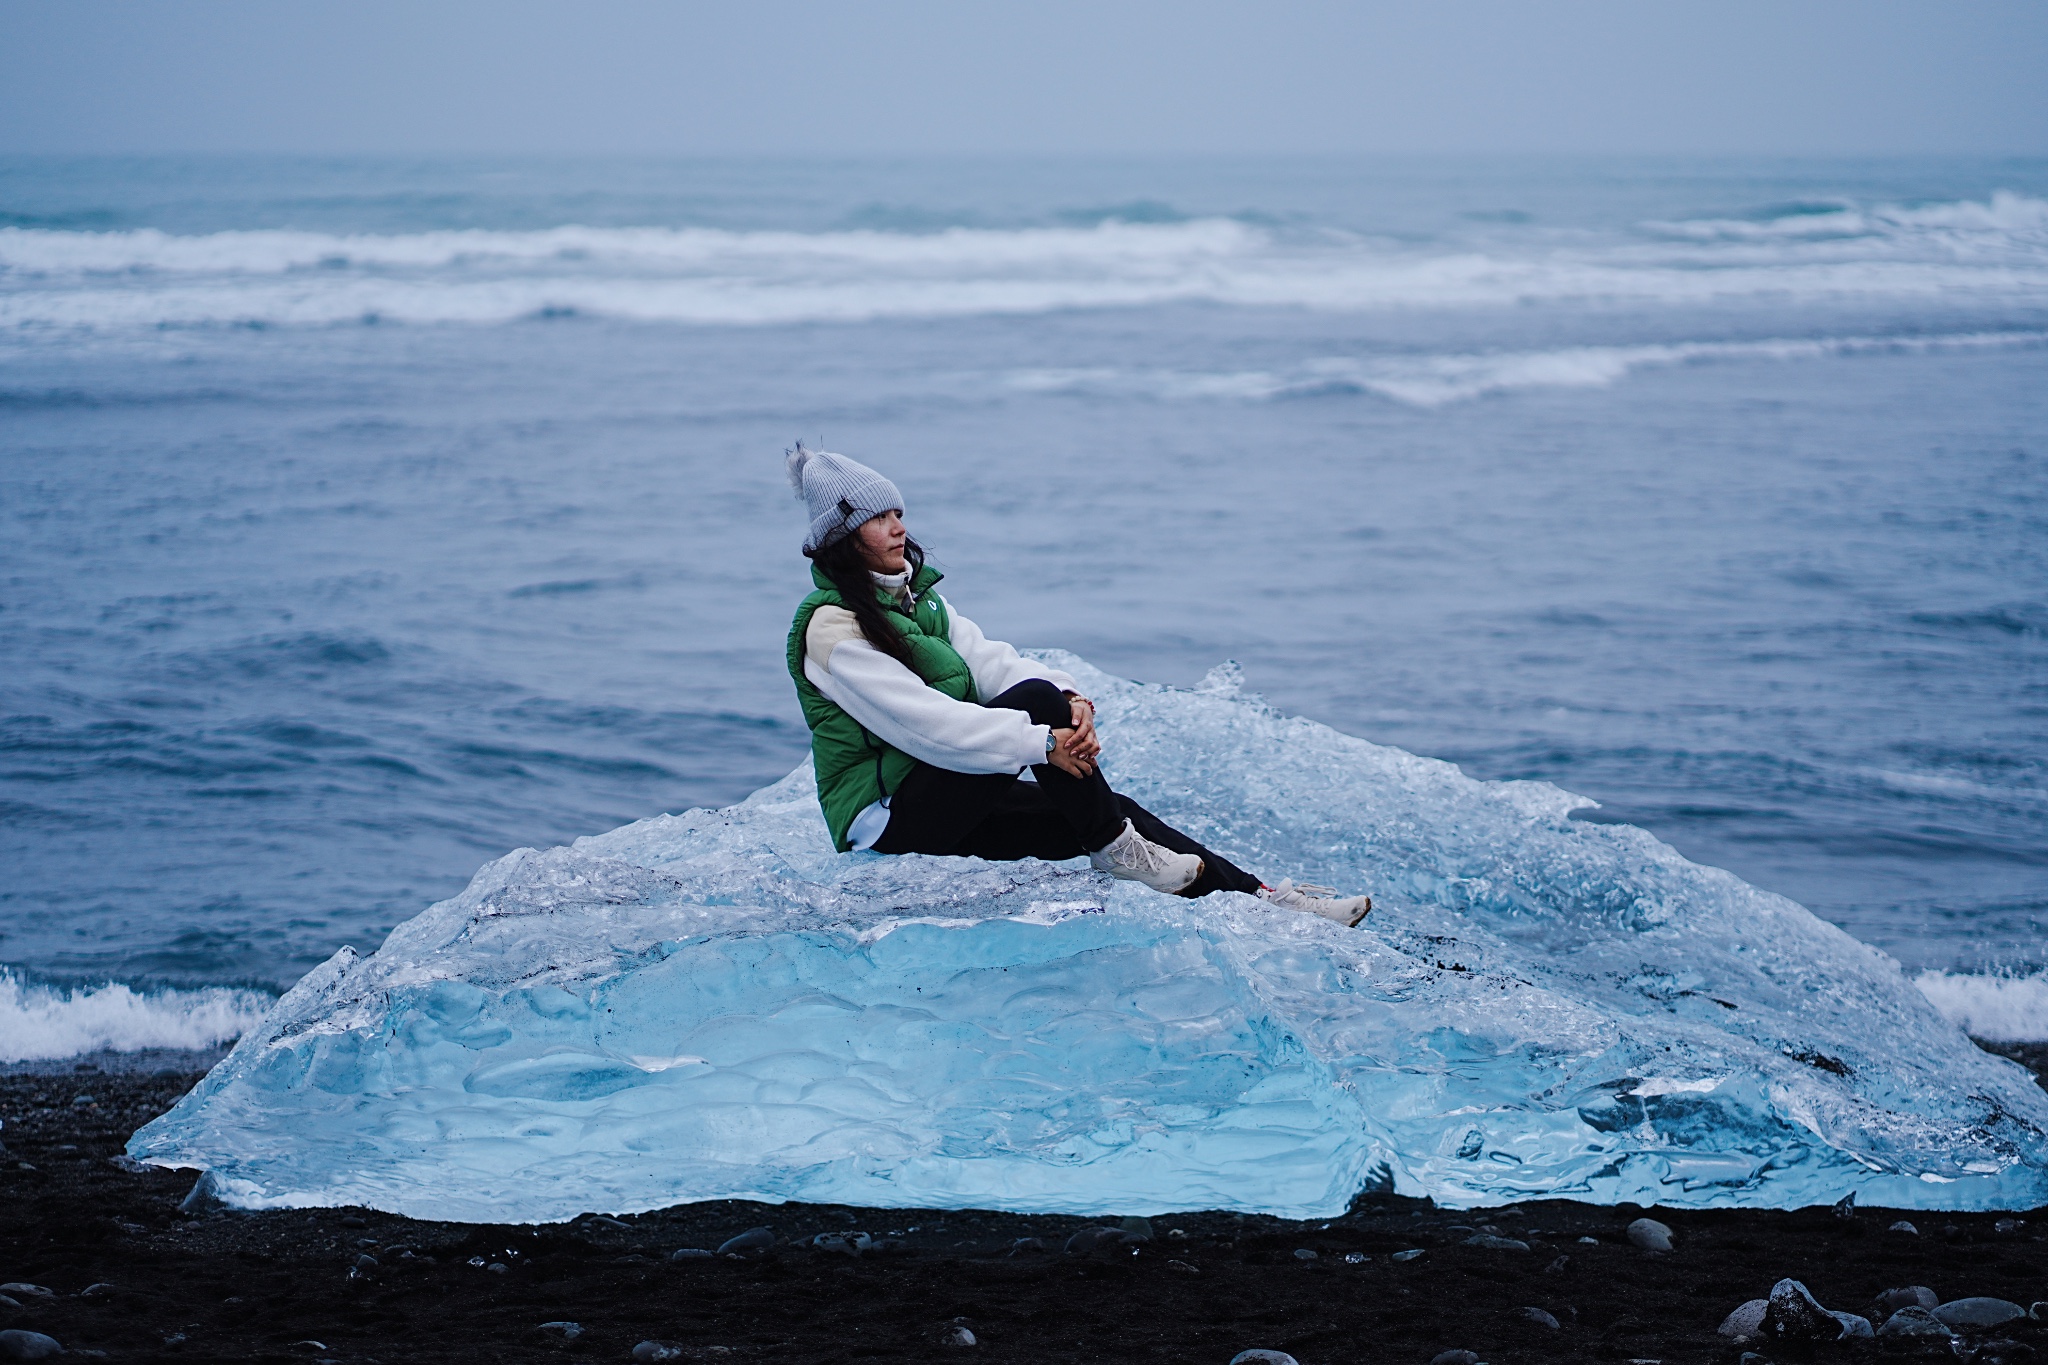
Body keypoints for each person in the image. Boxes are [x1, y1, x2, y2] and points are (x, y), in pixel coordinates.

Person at [783, 443, 1372, 926]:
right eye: (877, 519)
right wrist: (1041, 740)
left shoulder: (920, 602)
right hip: (887, 821)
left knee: (1112, 808)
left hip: (949, 798)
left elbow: (996, 665)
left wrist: (1071, 700)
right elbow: (928, 729)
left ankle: (1271, 904)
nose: (897, 527)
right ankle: (1119, 853)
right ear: (843, 538)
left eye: (897, 514)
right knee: (1042, 715)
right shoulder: (832, 629)